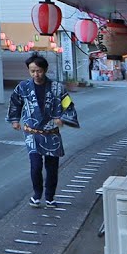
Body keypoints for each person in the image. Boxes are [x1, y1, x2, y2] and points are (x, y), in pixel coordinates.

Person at [8, 54, 79, 208]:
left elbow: (68, 104)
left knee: (52, 168)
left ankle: (50, 196)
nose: (36, 74)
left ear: (45, 70)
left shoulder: (57, 87)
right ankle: (37, 194)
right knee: (35, 166)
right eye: (32, 71)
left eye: (39, 71)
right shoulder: (23, 87)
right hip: (32, 132)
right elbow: (15, 103)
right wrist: (15, 120)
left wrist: (62, 118)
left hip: (51, 133)